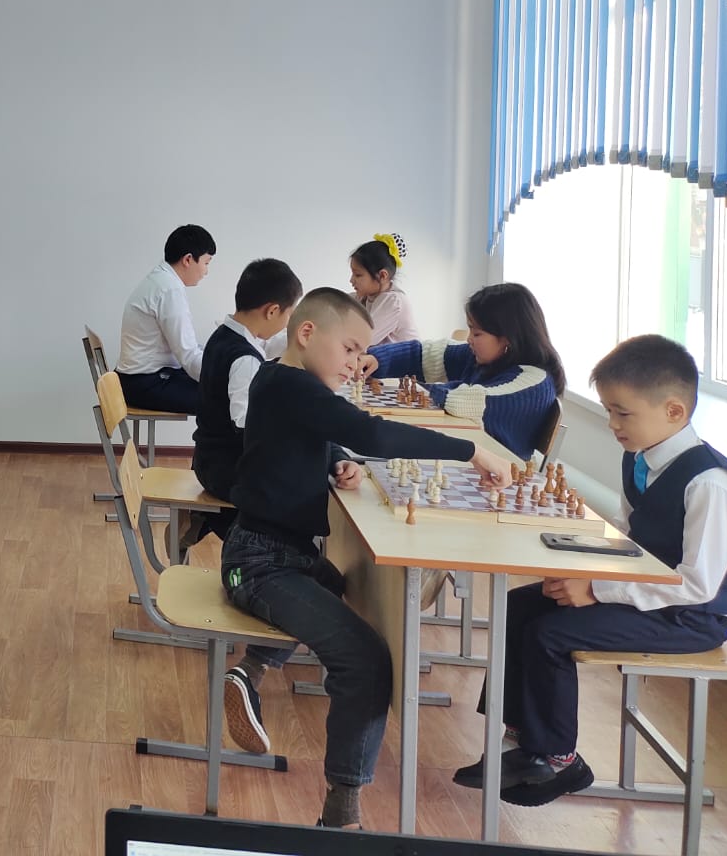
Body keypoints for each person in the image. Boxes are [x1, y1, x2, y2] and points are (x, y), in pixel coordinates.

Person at [219, 288, 512, 830]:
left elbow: (303, 438)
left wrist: (336, 459)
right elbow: (370, 430)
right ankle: (342, 817)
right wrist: (471, 451)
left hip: (279, 553)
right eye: (351, 349)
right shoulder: (294, 386)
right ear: (307, 333)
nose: (356, 364)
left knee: (335, 583)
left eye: (362, 353)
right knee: (367, 660)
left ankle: (250, 671)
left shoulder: (280, 381)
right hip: (258, 564)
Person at [454, 335, 727, 806]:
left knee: (551, 634)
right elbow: (628, 533)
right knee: (519, 605)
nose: (612, 424)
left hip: (689, 617)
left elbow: (697, 585)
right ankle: (520, 741)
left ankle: (559, 759)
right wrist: (573, 568)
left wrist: (597, 590)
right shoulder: (639, 457)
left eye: (623, 413)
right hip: (645, 593)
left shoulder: (709, 483)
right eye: (608, 411)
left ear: (674, 411)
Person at [367, 282, 566, 458]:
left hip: (501, 474)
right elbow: (424, 354)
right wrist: (375, 358)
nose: (469, 339)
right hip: (474, 458)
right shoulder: (488, 357)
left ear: (507, 338)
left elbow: (468, 401)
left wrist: (411, 388)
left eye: (477, 333)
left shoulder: (535, 383)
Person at [190, 258, 302, 541]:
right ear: (272, 311)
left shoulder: (223, 334)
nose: (287, 324)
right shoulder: (244, 359)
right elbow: (245, 427)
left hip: (208, 459)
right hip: (226, 471)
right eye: (289, 315)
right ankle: (234, 533)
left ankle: (211, 520)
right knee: (298, 485)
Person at [115, 225, 215, 416]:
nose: (206, 271)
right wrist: (226, 376)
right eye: (206, 263)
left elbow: (187, 350)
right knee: (223, 399)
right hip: (144, 384)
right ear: (188, 259)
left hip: (137, 378)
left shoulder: (161, 280)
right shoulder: (169, 289)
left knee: (219, 389)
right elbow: (188, 355)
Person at [349, 233, 419, 345]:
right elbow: (338, 302)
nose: (351, 280)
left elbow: (364, 340)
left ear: (382, 276)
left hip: (405, 356)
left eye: (358, 275)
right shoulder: (366, 296)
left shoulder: (393, 301)